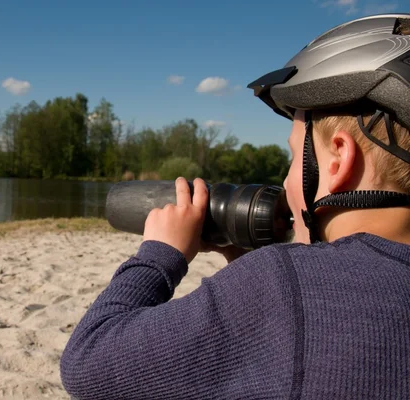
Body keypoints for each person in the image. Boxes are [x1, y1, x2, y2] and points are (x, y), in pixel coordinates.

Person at [60, 13, 410, 399]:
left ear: (339, 160)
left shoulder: (283, 284)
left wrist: (160, 255)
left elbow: (87, 366)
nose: (287, 180)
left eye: (294, 158)